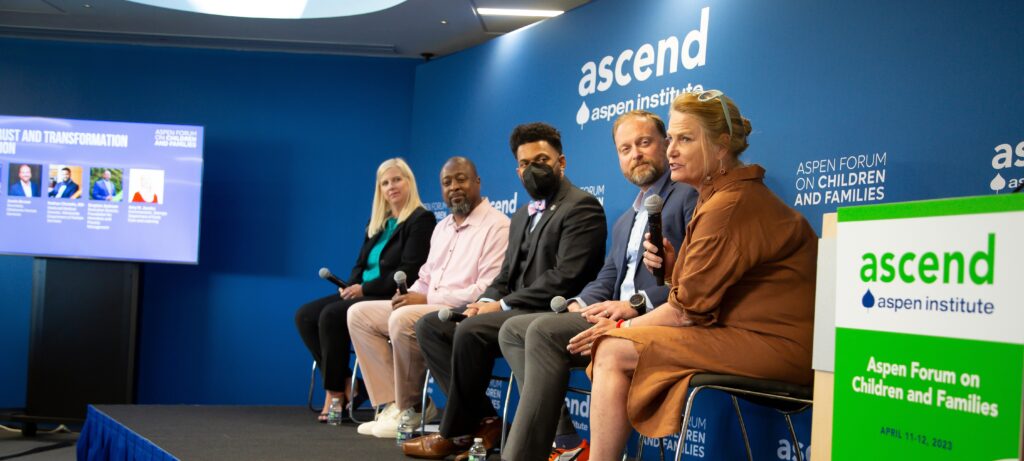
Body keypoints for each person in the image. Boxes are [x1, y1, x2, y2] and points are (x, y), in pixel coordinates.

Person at [568, 90, 818, 460]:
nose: (670, 150)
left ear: (721, 146)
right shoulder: (718, 196)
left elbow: (685, 312)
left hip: (779, 348)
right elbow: (699, 296)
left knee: (613, 350)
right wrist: (672, 273)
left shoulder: (731, 203)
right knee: (614, 344)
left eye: (685, 139)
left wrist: (619, 329)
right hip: (744, 335)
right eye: (671, 139)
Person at [498, 110, 698, 461]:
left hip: (652, 318)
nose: (635, 153)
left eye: (644, 143)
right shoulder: (626, 219)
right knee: (514, 329)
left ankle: (535, 452)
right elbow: (607, 276)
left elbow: (696, 281)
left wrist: (635, 304)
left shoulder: (687, 197)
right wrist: (579, 302)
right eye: (625, 148)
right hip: (612, 314)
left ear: (666, 145)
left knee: (542, 330)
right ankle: (563, 440)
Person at [403, 123, 607, 460]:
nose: (533, 169)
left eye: (541, 159)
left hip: (551, 312)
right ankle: (485, 421)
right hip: (513, 310)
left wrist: (501, 304)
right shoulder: (521, 215)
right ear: (517, 170)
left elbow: (566, 278)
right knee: (431, 326)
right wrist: (483, 301)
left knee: (470, 330)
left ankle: (454, 433)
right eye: (525, 164)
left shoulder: (582, 206)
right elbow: (504, 275)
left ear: (562, 162)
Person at [347, 157, 510, 438]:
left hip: (462, 311)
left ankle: (412, 408)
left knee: (401, 318)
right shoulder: (443, 227)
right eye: (447, 183)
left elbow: (486, 289)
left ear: (478, 182)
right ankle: (392, 404)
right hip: (426, 305)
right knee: (358, 314)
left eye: (461, 179)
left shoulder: (497, 226)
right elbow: (425, 276)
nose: (454, 187)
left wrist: (425, 299)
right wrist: (412, 294)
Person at [295, 157, 436, 423]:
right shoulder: (378, 222)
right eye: (385, 182)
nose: (391, 186)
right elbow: (360, 264)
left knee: (331, 315)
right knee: (304, 316)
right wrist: (349, 286)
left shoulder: (421, 219)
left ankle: (334, 392)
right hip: (362, 292)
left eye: (397, 179)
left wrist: (363, 289)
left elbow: (410, 268)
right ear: (380, 190)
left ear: (409, 182)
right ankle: (350, 382)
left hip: (388, 294)